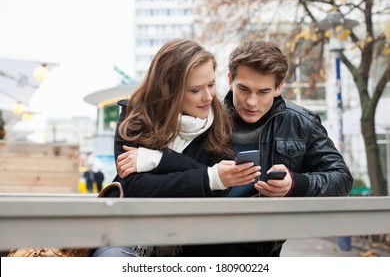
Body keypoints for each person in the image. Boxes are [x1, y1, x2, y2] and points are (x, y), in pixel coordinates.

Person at [116, 40, 354, 256]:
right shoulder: (206, 118)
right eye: (244, 89)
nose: (252, 102)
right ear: (229, 80)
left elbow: (341, 178)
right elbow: (184, 175)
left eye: (263, 92)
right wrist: (159, 159)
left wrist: (295, 184)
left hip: (257, 252)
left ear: (279, 87)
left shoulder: (301, 123)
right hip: (197, 248)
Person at [92, 38, 260, 257]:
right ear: (169, 90)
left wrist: (156, 160)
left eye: (211, 84)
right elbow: (135, 188)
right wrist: (208, 177)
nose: (208, 96)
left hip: (191, 244)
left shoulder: (222, 122)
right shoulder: (134, 119)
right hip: (127, 237)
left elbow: (218, 194)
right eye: (195, 90)